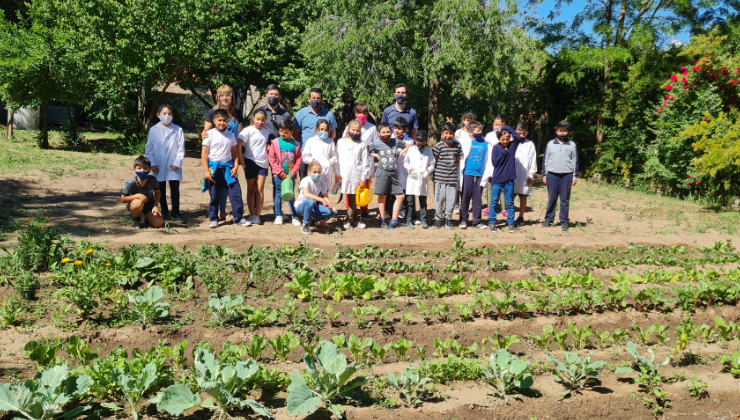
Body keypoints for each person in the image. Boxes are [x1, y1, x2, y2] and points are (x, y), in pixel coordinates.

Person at [201, 109, 250, 228]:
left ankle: (238, 218)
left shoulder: (230, 135)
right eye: (219, 120)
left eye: (224, 120)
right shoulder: (210, 134)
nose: (222, 123)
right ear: (214, 121)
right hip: (214, 168)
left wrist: (236, 166)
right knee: (214, 194)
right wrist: (207, 171)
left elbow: (234, 153)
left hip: (228, 168)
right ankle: (213, 218)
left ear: (227, 121)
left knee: (236, 192)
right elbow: (204, 153)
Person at [201, 85, 243, 221]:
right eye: (222, 95)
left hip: (231, 154)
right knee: (216, 188)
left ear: (232, 97)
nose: (225, 97)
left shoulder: (237, 113)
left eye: (228, 94)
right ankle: (217, 213)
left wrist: (238, 159)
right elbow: (205, 134)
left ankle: (224, 212)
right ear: (218, 97)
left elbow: (239, 134)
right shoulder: (212, 112)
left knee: (229, 187)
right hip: (215, 155)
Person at [144, 103, 185, 223]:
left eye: (170, 114)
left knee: (175, 188)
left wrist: (177, 162)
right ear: (158, 115)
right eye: (164, 113)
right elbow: (149, 149)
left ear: (173, 116)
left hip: (173, 165)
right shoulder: (153, 130)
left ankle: (176, 212)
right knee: (159, 189)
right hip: (158, 165)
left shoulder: (178, 129)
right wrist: (152, 163)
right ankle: (165, 211)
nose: (167, 116)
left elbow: (181, 148)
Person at [370, 121, 410, 229]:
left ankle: (394, 221)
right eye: (383, 132)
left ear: (391, 132)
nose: (386, 134)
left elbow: (407, 145)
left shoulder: (395, 142)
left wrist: (399, 154)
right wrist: (376, 155)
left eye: (388, 131)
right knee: (382, 196)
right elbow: (366, 150)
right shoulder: (376, 143)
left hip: (394, 173)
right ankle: (382, 220)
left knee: (400, 196)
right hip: (382, 172)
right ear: (379, 133)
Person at [486, 125, 525, 233]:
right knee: (494, 201)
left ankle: (511, 223)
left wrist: (505, 127)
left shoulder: (513, 145)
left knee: (510, 202)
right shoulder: (496, 147)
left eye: (507, 139)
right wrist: (504, 153)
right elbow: (495, 163)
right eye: (503, 139)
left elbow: (518, 136)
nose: (505, 141)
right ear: (499, 139)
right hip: (498, 178)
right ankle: (492, 222)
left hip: (509, 179)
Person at [342, 103, 379, 218]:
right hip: (351, 163)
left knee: (364, 187)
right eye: (359, 113)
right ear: (355, 114)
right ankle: (350, 211)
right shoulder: (350, 126)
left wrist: (368, 145)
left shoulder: (372, 127)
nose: (361, 115)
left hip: (366, 162)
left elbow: (377, 143)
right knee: (350, 187)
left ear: (367, 114)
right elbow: (344, 140)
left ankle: (364, 210)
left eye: (364, 113)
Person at [302, 119, 340, 227]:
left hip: (326, 174)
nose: (324, 131)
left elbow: (334, 156)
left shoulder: (330, 142)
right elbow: (305, 156)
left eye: (326, 129)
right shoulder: (311, 141)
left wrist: (329, 162)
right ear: (316, 129)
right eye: (321, 129)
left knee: (323, 194)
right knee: (313, 195)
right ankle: (310, 217)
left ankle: (321, 218)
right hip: (314, 173)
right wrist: (313, 161)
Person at [542, 121, 579, 231]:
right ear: (556, 131)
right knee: (552, 198)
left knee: (564, 200)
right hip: (552, 175)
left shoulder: (572, 145)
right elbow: (546, 160)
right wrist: (544, 175)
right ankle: (549, 219)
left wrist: (574, 176)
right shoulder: (550, 144)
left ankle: (564, 221)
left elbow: (575, 161)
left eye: (565, 131)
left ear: (568, 132)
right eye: (560, 131)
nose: (562, 133)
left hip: (566, 176)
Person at [293, 87, 338, 178]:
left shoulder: (329, 115)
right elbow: (295, 134)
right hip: (305, 155)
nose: (316, 100)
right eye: (313, 98)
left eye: (318, 98)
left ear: (321, 99)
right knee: (305, 182)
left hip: (323, 157)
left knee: (321, 184)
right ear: (309, 99)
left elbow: (332, 134)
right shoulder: (301, 114)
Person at [237, 109, 270, 225]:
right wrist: (241, 160)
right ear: (253, 118)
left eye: (263, 120)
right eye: (258, 119)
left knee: (260, 190)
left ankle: (257, 215)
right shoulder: (247, 130)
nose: (260, 122)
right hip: (250, 162)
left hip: (263, 164)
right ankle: (251, 214)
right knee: (251, 189)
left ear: (266, 120)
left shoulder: (266, 132)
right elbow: (238, 144)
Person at [337, 119, 371, 229]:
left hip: (357, 175)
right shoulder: (341, 142)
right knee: (351, 198)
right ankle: (355, 219)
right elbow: (338, 159)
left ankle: (349, 219)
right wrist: (337, 174)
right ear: (348, 129)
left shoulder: (362, 145)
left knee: (354, 198)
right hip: (345, 174)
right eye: (353, 130)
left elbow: (366, 162)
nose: (355, 132)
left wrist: (363, 177)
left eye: (357, 130)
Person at [459, 121, 493, 229]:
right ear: (470, 132)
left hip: (480, 174)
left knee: (477, 198)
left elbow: (489, 160)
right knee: (465, 196)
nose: (480, 132)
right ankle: (463, 219)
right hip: (467, 173)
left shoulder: (486, 143)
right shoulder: (464, 142)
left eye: (481, 130)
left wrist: (487, 174)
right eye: (477, 131)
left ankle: (477, 221)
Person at [269, 118, 302, 226]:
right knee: (278, 194)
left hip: (290, 175)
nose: (283, 133)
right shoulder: (275, 143)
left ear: (291, 132)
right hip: (279, 175)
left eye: (285, 132)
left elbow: (298, 160)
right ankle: (278, 215)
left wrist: (292, 173)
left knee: (290, 195)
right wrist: (280, 173)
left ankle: (294, 216)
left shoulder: (295, 145)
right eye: (281, 131)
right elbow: (272, 159)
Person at [432, 122, 463, 229]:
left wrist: (453, 172)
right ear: (442, 133)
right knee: (439, 199)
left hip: (452, 178)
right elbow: (434, 161)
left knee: (451, 200)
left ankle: (448, 219)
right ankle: (438, 219)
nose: (448, 135)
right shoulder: (438, 146)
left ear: (454, 134)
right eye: (446, 133)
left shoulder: (457, 146)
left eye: (451, 133)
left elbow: (458, 161)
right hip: (439, 178)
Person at [121, 155, 164, 229]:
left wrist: (156, 206)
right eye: (139, 168)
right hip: (134, 204)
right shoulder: (131, 182)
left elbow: (157, 192)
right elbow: (123, 199)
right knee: (137, 203)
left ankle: (148, 218)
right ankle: (136, 219)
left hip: (149, 204)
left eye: (145, 168)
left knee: (158, 223)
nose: (142, 171)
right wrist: (137, 196)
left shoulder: (153, 180)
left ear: (150, 169)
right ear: (134, 170)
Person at [295, 161, 338, 235]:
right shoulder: (305, 180)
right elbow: (306, 194)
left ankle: (312, 217)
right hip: (301, 207)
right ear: (309, 172)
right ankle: (305, 224)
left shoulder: (322, 183)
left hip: (312, 207)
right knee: (310, 201)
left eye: (319, 172)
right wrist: (321, 199)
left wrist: (329, 205)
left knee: (334, 211)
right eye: (314, 172)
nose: (317, 174)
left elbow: (326, 197)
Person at [403, 130, 435, 228]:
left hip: (423, 177)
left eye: (423, 142)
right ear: (415, 140)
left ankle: (423, 220)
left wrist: (428, 172)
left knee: (423, 201)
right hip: (413, 178)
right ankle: (408, 219)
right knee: (410, 200)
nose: (420, 144)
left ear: (426, 141)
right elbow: (405, 162)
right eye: (418, 142)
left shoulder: (429, 151)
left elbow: (432, 164)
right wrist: (410, 168)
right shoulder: (411, 149)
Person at [513, 122, 537, 225]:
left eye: (523, 134)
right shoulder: (511, 142)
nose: (521, 136)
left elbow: (533, 160)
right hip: (512, 174)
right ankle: (510, 217)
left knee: (523, 196)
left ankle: (521, 216)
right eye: (519, 133)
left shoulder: (530, 144)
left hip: (524, 175)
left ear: (527, 133)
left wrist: (531, 175)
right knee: (509, 196)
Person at [484, 115, 506, 217]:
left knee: (501, 188)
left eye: (499, 124)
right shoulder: (489, 136)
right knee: (490, 187)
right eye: (495, 124)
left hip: (502, 165)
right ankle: (489, 206)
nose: (497, 126)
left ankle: (503, 208)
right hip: (490, 164)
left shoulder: (507, 135)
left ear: (503, 124)